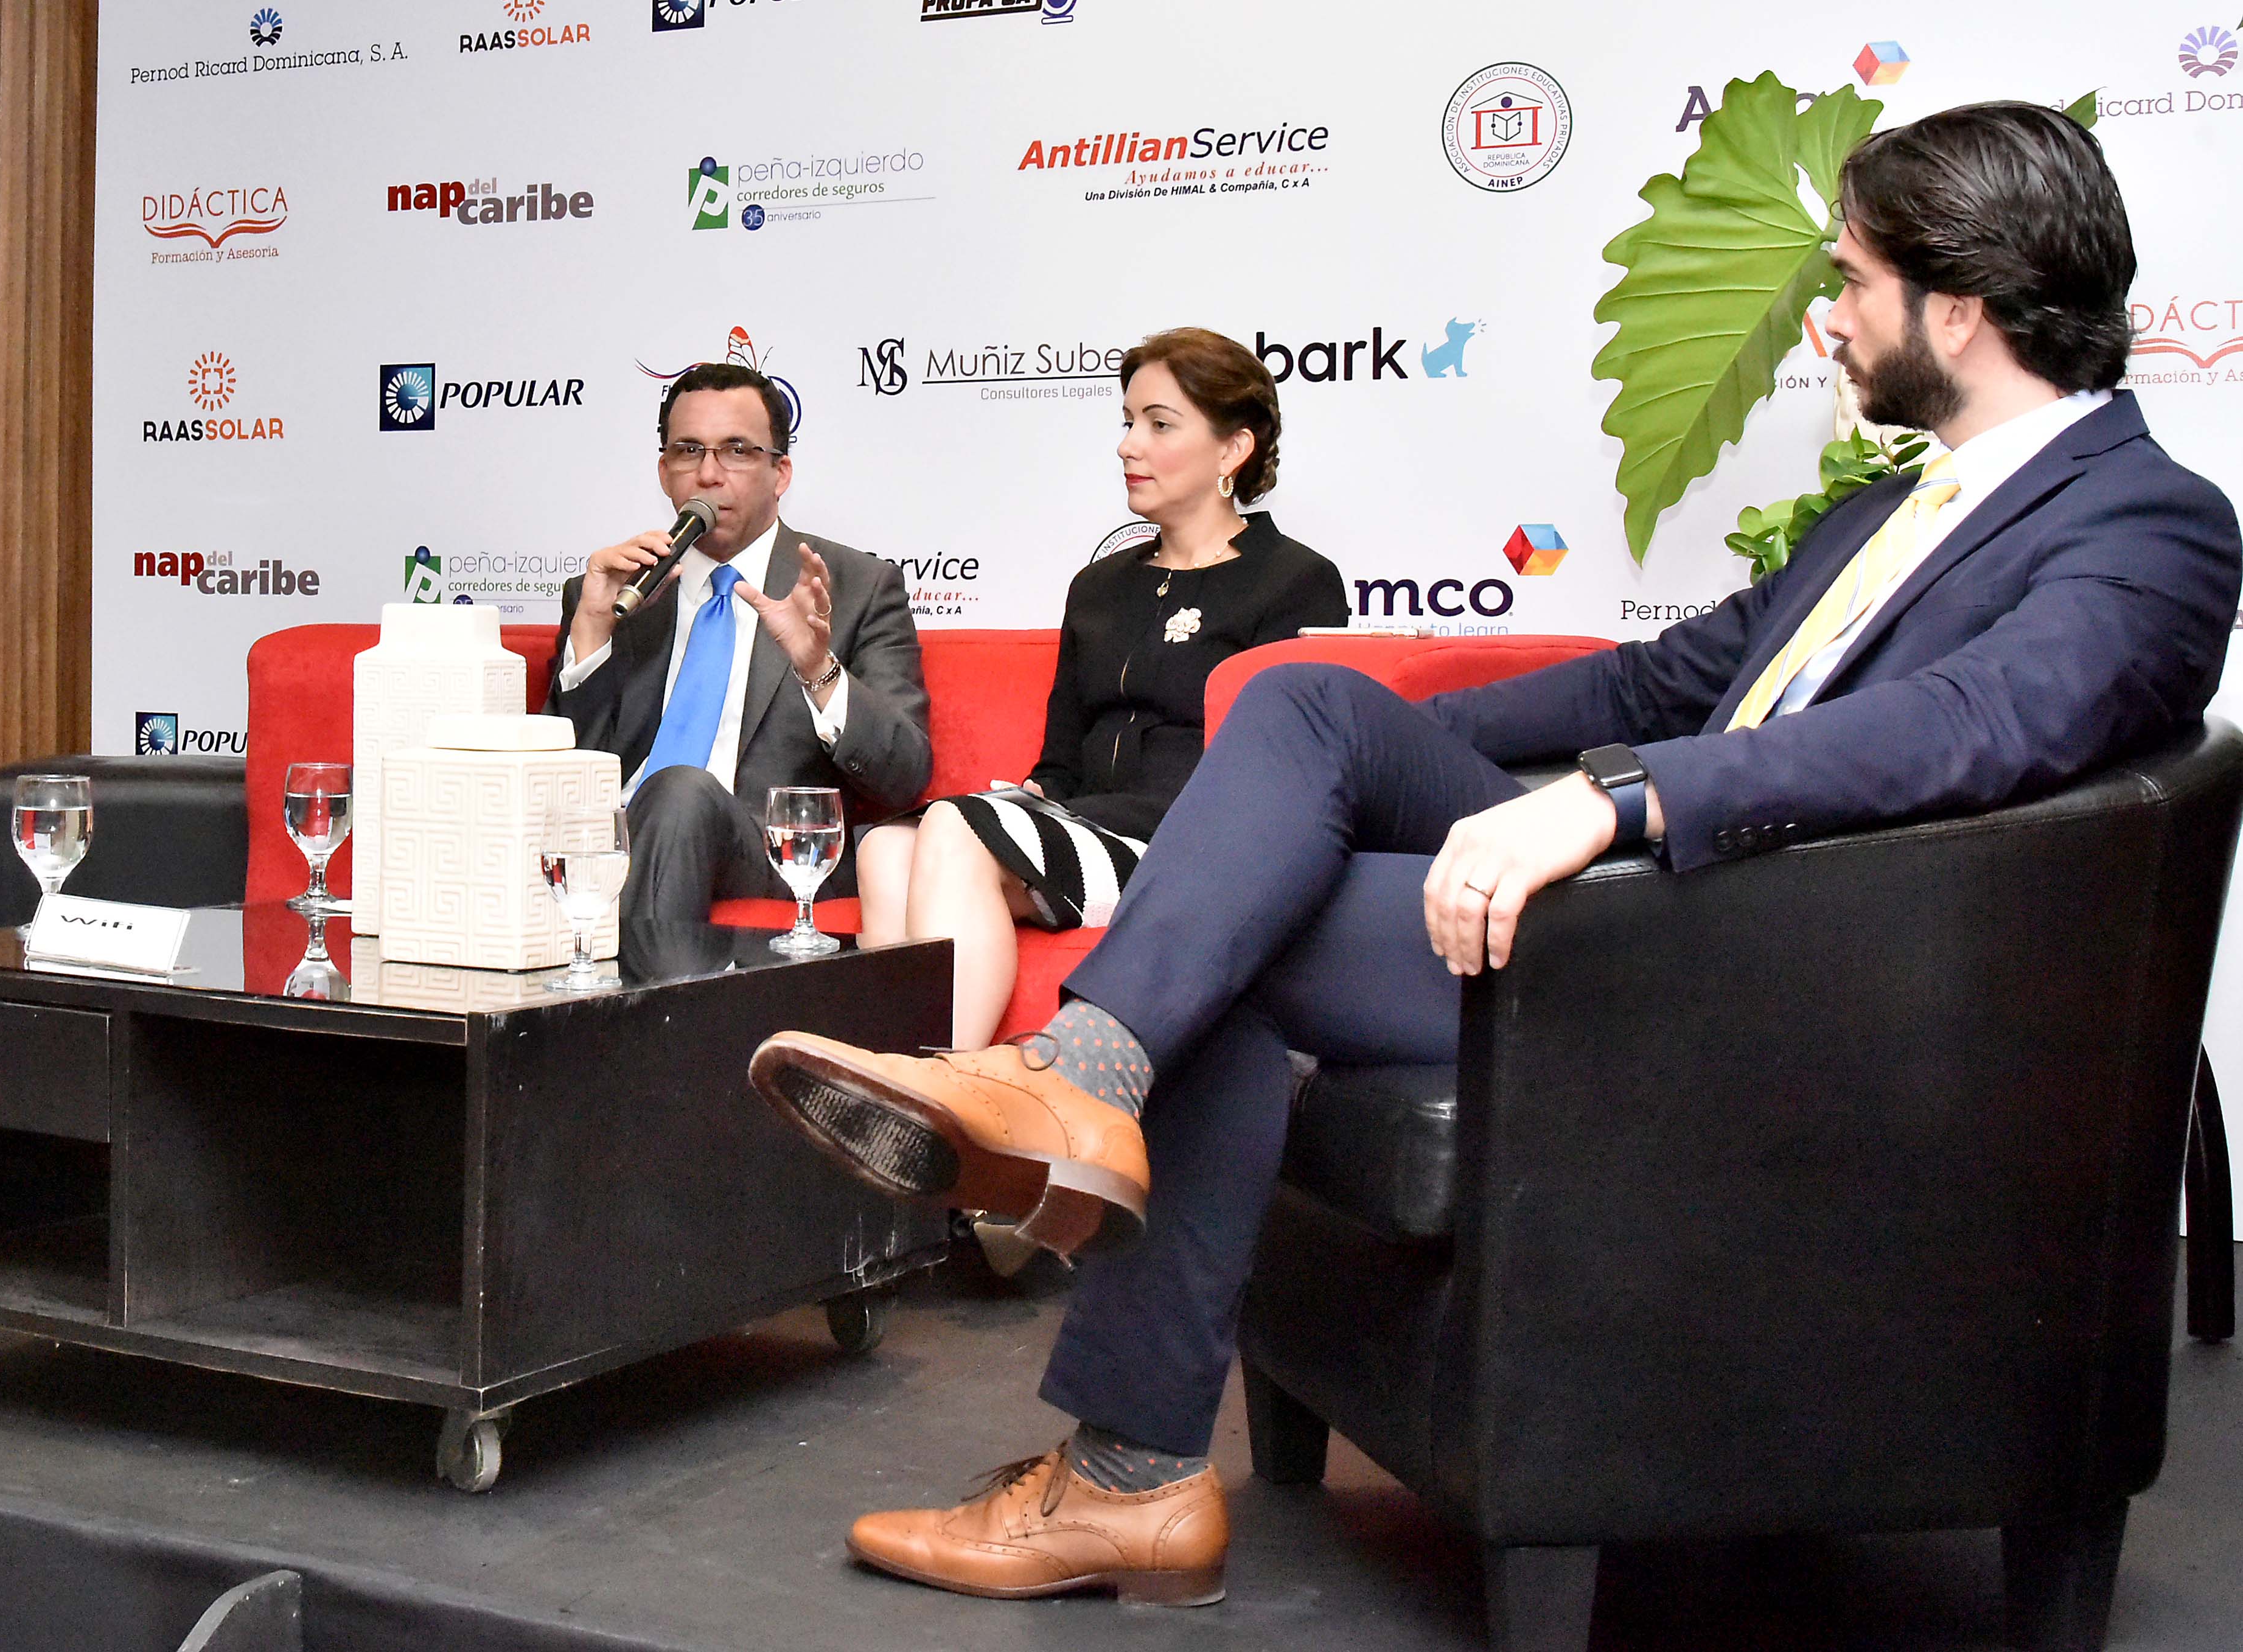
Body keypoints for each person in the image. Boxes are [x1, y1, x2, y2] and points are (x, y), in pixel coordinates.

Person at [743, 102, 2241, 1607]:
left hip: (1764, 961)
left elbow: (1971, 722)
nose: (1826, 316)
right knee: (1308, 709)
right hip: (1679, 905)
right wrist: (1395, 725)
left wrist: (1615, 802)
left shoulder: (2148, 522)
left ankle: (1123, 1435)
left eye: (1849, 279)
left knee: (1240, 933)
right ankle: (1086, 1096)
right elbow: (1662, 678)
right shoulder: (1886, 506)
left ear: (1960, 308)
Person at [856, 329, 1346, 1048]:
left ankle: (942, 1092)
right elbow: (1059, 763)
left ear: (1231, 450)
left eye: (1159, 423)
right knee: (884, 850)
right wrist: (1033, 798)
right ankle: (899, 1075)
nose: (1128, 445)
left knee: (953, 829)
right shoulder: (1098, 587)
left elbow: (1271, 779)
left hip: (1183, 846)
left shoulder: (1294, 582)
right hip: (1085, 825)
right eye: (1127, 421)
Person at [548, 361, 930, 929]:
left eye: (736, 451)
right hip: (618, 843)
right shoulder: (613, 592)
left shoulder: (855, 587)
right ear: (663, 471)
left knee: (679, 792)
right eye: (688, 451)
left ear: (780, 473)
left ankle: (637, 1009)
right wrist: (593, 631)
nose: (708, 474)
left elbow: (904, 774)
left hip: (764, 852)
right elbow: (555, 777)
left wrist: (816, 667)